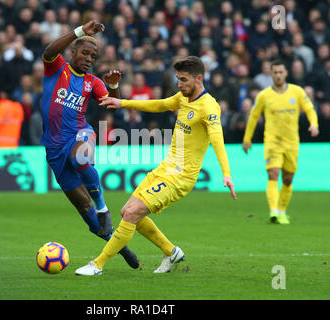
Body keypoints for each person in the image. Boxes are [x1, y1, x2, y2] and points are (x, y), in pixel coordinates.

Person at [75, 56, 236, 276]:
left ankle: (97, 264)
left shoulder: (209, 107)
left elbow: (217, 139)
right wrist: (123, 102)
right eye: (178, 79)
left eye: (184, 80)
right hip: (165, 169)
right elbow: (159, 104)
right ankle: (171, 252)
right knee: (127, 212)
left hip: (181, 177)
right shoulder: (183, 97)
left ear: (199, 78)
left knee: (131, 214)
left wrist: (226, 173)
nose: (179, 84)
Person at [40, 20, 139, 269]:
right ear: (73, 52)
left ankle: (104, 207)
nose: (88, 59)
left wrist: (114, 86)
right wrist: (81, 31)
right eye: (85, 53)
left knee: (81, 159)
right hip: (54, 150)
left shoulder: (92, 82)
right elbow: (50, 50)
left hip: (81, 134)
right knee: (88, 216)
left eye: (93, 56)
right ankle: (121, 247)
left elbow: (114, 105)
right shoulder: (56, 68)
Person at [242, 60, 319, 224]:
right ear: (271, 74)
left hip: (291, 142)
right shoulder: (264, 95)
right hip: (272, 141)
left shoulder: (297, 92)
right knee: (273, 174)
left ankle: (282, 211)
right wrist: (247, 139)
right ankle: (274, 211)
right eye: (275, 72)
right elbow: (254, 116)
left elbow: (310, 108)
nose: (278, 75)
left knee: (288, 179)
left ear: (286, 73)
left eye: (280, 72)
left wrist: (314, 124)